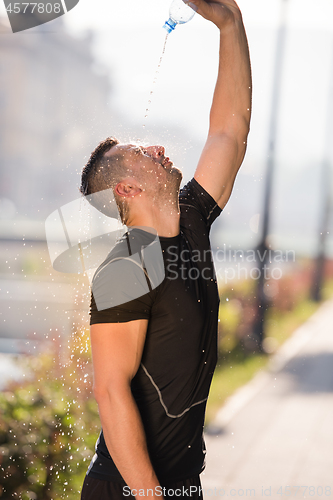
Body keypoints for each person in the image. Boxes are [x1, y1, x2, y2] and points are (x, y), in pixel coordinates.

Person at [79, 0, 252, 498]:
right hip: (130, 490)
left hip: (180, 485)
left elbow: (229, 133)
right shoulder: (126, 268)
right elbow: (111, 394)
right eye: (140, 154)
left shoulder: (192, 219)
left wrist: (229, 22)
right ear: (126, 191)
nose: (156, 148)